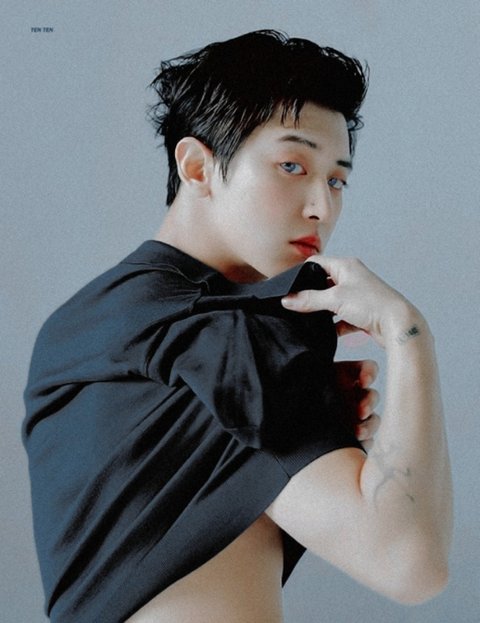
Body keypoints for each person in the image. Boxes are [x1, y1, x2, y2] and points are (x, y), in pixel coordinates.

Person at [23, 30, 452, 623]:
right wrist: (407, 333)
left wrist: (298, 405)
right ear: (198, 166)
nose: (322, 207)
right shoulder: (222, 331)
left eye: (336, 180)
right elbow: (410, 564)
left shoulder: (86, 318)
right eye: (291, 165)